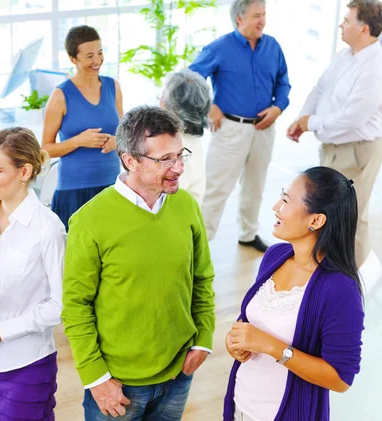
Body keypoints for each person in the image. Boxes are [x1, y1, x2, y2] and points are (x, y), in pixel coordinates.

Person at [62, 106, 216, 420]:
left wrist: (204, 337)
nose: (179, 168)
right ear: (130, 159)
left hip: (178, 375)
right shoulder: (89, 221)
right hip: (117, 385)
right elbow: (76, 306)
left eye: (180, 154)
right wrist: (97, 378)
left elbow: (202, 278)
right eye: (165, 159)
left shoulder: (186, 205)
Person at [223, 166, 365, 421]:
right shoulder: (275, 256)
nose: (275, 206)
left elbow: (341, 378)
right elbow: (249, 323)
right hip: (239, 405)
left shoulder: (341, 291)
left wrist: (271, 346)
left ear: (316, 220)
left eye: (286, 200)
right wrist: (236, 343)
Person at [0, 127, 66, 421]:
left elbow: (59, 306)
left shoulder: (48, 228)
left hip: (27, 365)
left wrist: (2, 332)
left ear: (24, 171)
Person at [189, 0, 291, 252]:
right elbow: (190, 78)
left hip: (264, 129)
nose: (262, 20)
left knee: (255, 186)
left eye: (264, 14)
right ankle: (198, 245)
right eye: (257, 15)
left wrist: (278, 107)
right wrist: (208, 105)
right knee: (215, 189)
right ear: (239, 19)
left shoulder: (273, 46)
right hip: (231, 130)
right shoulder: (220, 47)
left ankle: (248, 234)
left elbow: (283, 82)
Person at [287, 0, 382, 270]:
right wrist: (302, 119)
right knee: (326, 212)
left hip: (357, 149)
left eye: (347, 20)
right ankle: (325, 272)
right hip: (333, 146)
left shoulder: (375, 67)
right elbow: (320, 89)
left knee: (352, 218)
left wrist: (311, 122)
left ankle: (353, 283)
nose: (342, 24)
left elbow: (353, 118)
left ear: (363, 29)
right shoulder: (345, 55)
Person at [42, 25, 123, 230]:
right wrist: (79, 141)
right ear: (73, 59)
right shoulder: (60, 95)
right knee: (77, 256)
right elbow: (45, 149)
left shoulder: (113, 87)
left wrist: (118, 140)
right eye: (89, 56)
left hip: (113, 186)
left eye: (100, 53)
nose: (97, 61)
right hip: (74, 190)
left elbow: (125, 133)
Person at [159, 68, 211, 204]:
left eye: (163, 97)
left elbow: (165, 204)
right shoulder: (188, 139)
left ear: (176, 110)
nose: (160, 101)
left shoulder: (181, 150)